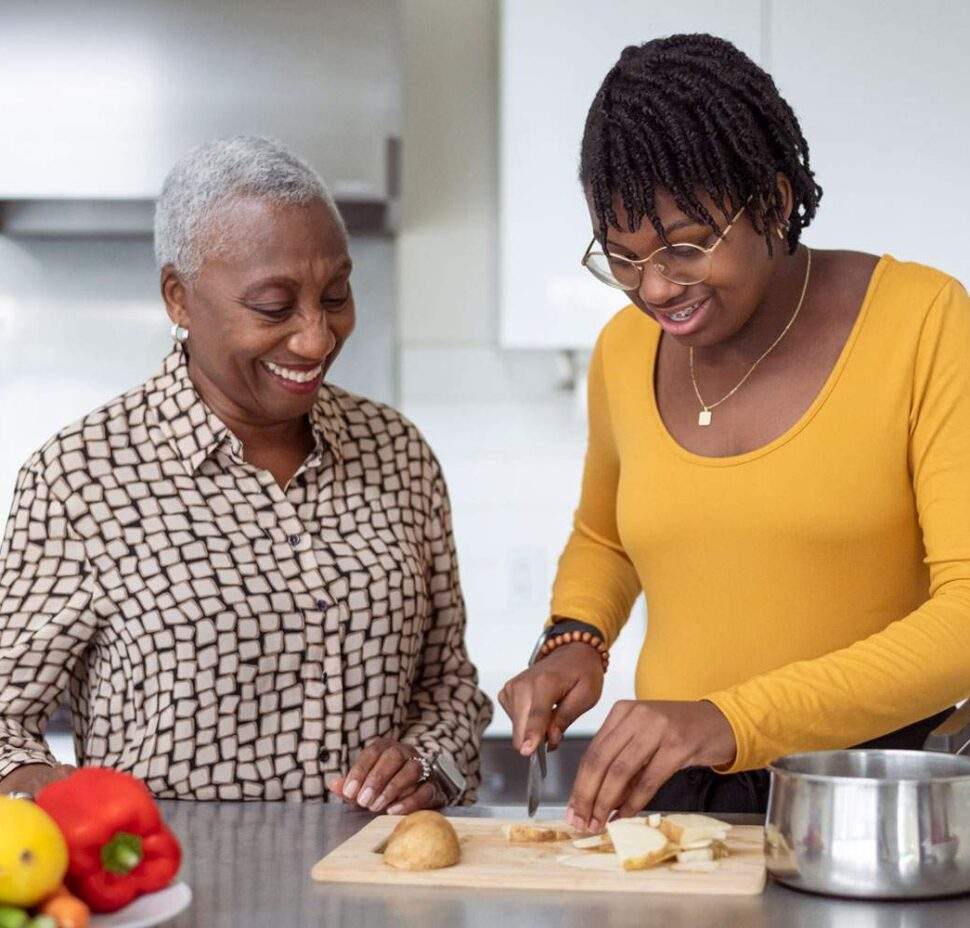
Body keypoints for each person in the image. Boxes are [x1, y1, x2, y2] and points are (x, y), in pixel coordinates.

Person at [499, 33, 969, 831]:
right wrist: (575, 638)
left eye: (685, 247)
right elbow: (606, 537)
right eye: (621, 258)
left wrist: (729, 720)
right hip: (672, 800)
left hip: (874, 798)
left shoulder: (924, 322)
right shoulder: (624, 352)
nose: (654, 289)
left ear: (775, 203)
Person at [0, 136, 491, 805]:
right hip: (177, 896)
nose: (317, 337)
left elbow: (451, 689)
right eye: (273, 306)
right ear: (179, 297)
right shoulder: (82, 478)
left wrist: (431, 765)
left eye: (337, 294)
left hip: (372, 895)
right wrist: (37, 789)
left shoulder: (397, 453)